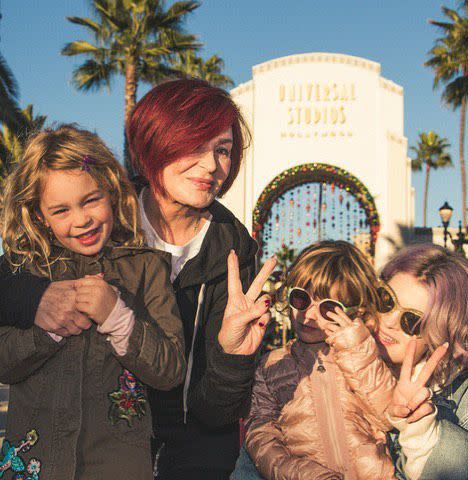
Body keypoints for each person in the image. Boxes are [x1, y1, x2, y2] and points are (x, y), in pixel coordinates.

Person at [0, 78, 276, 479]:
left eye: (223, 150)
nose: (211, 165)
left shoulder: (236, 252)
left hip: (187, 454)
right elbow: (13, 277)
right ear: (154, 143)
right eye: (195, 146)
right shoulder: (95, 211)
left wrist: (232, 355)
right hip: (77, 451)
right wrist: (38, 297)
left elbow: (214, 411)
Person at [0, 125, 187, 479]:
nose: (81, 219)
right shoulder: (21, 272)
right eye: (61, 210)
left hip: (118, 465)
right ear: (40, 215)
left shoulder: (146, 267)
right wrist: (48, 332)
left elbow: (171, 370)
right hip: (34, 462)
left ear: (111, 192)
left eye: (90, 200)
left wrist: (119, 318)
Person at [241, 241, 397, 480]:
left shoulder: (365, 353)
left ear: (352, 311)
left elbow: (388, 417)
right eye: (301, 299)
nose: (309, 315)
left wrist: (356, 351)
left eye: (328, 308)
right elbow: (261, 438)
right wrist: (303, 474)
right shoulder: (272, 365)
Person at [324, 243, 468, 480]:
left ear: (442, 335)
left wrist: (422, 430)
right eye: (386, 300)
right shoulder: (332, 358)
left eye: (411, 321)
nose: (389, 321)